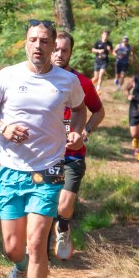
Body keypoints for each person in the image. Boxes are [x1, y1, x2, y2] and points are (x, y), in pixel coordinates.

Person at [0, 19, 86, 278]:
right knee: (14, 247)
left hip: (49, 170)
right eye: (33, 40)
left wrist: (77, 132)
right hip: (11, 170)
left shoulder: (66, 81)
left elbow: (80, 109)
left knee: (37, 243)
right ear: (25, 43)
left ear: (53, 47)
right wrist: (3, 127)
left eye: (44, 41)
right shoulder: (8, 75)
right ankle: (19, 266)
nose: (38, 46)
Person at [51, 30, 105, 260]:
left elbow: (98, 111)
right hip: (44, 153)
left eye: (64, 50)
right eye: (55, 49)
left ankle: (63, 227)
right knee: (45, 203)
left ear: (71, 53)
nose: (59, 54)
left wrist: (85, 131)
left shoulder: (81, 82)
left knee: (63, 205)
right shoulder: (38, 80)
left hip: (73, 153)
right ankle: (39, 250)